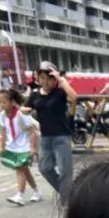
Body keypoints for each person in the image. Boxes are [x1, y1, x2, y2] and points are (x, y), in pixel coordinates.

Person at [23, 62, 78, 203]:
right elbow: (24, 108)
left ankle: (67, 200)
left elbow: (74, 97)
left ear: (54, 80)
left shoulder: (60, 92)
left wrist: (61, 80)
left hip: (61, 136)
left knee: (65, 170)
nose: (45, 81)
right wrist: (25, 111)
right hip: (46, 137)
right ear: (38, 79)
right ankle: (69, 193)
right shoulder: (35, 95)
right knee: (45, 168)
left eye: (49, 78)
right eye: (42, 78)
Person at [0, 88, 42, 206]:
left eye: (4, 102)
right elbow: (3, 131)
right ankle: (36, 191)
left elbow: (32, 131)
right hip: (13, 146)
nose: (1, 105)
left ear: (12, 102)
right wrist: (1, 146)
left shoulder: (21, 114)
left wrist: (32, 148)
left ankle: (19, 195)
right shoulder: (2, 115)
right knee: (25, 171)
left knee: (19, 169)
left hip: (24, 146)